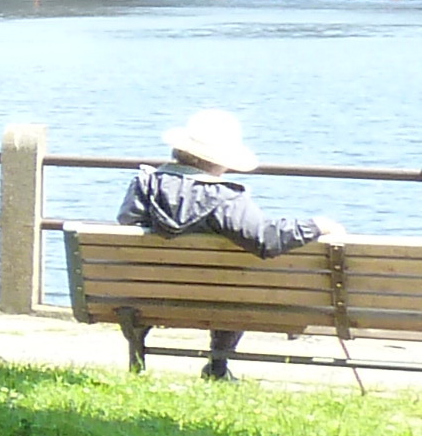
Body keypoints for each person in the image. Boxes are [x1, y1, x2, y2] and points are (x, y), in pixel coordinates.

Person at [118, 108, 344, 381]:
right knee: (236, 281)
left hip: (147, 295)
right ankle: (217, 368)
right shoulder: (224, 198)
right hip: (220, 299)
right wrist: (317, 225)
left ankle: (138, 362)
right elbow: (265, 239)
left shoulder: (143, 187)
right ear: (219, 160)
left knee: (211, 277)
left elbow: (126, 223)